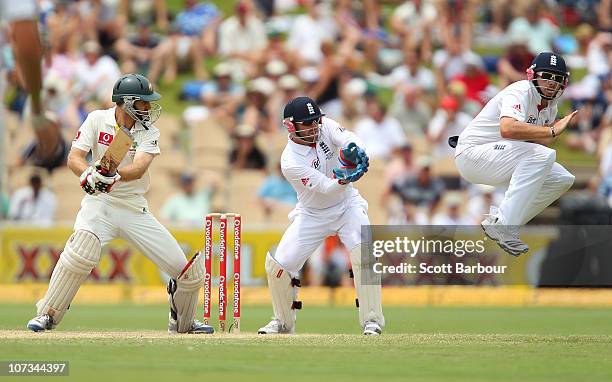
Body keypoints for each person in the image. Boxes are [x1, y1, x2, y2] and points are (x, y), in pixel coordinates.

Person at [26, 74, 213, 335]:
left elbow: (138, 169)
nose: (148, 109)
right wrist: (88, 174)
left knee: (187, 273)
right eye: (144, 104)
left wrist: (110, 175)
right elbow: (75, 157)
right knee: (81, 251)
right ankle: (46, 315)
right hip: (99, 204)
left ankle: (183, 323)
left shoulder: (149, 131)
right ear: (126, 102)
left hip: (133, 207)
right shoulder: (96, 119)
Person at [257, 96, 384, 336]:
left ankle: (372, 320)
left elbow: (348, 137)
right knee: (279, 266)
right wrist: (346, 177)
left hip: (348, 206)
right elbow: (326, 187)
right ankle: (283, 323)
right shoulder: (290, 161)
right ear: (291, 127)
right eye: (308, 123)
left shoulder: (324, 125)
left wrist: (354, 150)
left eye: (316, 120)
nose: (315, 126)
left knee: (364, 252)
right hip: (312, 214)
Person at [454, 52, 577, 256]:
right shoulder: (520, 90)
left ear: (563, 82)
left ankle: (503, 222)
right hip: (472, 153)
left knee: (562, 178)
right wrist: (551, 130)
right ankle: (504, 225)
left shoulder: (550, 106)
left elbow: (538, 139)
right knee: (542, 156)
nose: (550, 83)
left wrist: (552, 129)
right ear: (532, 75)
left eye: (556, 79)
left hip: (496, 159)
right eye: (546, 76)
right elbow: (508, 129)